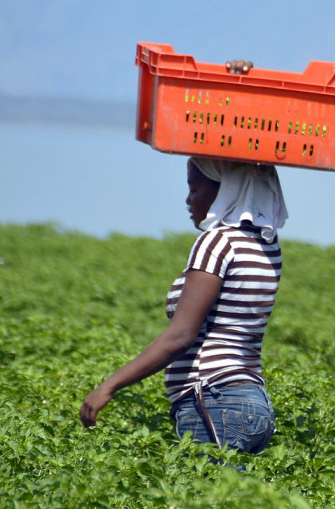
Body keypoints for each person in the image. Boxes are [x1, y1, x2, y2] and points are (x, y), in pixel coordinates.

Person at [80, 156, 287, 455]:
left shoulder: (216, 242)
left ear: (225, 188)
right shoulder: (267, 244)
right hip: (252, 402)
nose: (189, 200)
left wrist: (108, 386)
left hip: (214, 401)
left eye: (194, 188)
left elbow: (181, 335)